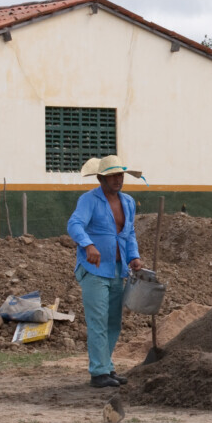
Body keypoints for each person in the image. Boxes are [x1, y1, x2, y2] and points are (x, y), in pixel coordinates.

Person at [67, 155, 144, 389]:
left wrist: (133, 256)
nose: (117, 179)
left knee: (113, 321)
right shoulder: (89, 200)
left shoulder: (128, 202)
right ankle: (98, 372)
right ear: (101, 178)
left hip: (118, 270)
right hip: (95, 270)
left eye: (120, 175)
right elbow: (74, 224)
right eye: (112, 176)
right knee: (98, 319)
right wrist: (88, 245)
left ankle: (106, 367)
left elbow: (129, 233)